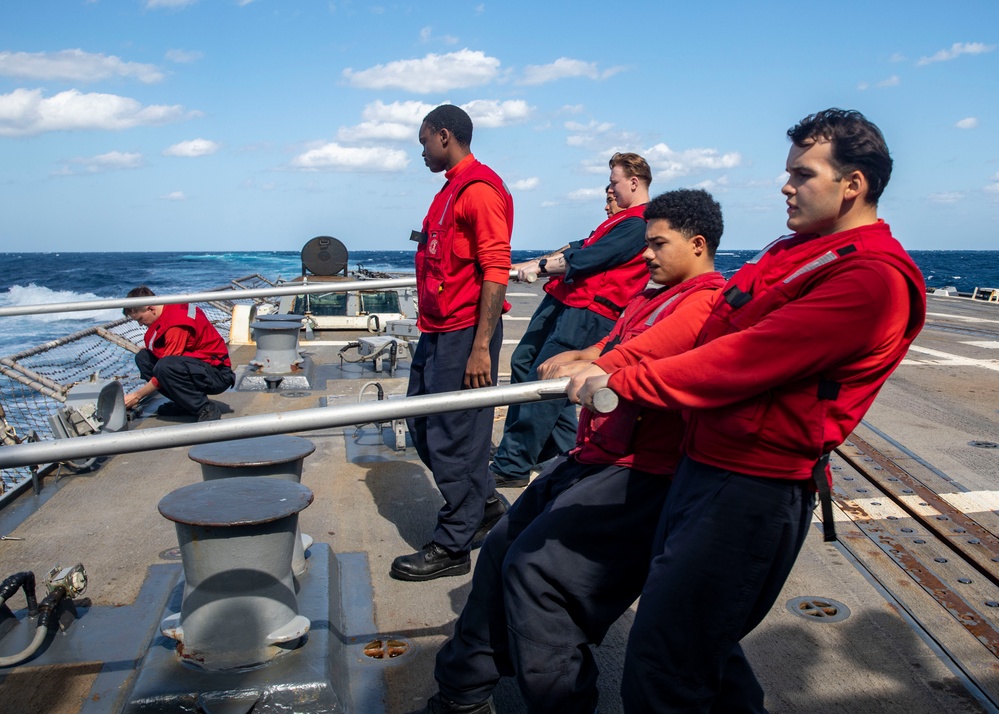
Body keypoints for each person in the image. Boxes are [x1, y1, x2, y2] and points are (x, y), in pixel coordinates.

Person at [569, 108, 927, 712]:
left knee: (665, 666)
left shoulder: (871, 279)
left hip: (751, 493)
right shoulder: (793, 252)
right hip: (705, 465)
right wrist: (612, 356)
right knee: (700, 651)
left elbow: (738, 360)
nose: (786, 186)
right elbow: (709, 322)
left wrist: (623, 382)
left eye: (803, 174)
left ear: (853, 184)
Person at [425, 189, 726, 714]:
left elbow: (641, 352)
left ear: (697, 245)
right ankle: (461, 692)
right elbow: (615, 340)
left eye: (657, 244)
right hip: (595, 455)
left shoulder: (702, 301)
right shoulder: (654, 294)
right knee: (501, 547)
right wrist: (585, 352)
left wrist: (595, 366)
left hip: (641, 472)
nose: (647, 255)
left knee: (538, 574)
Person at [391, 104, 514, 582]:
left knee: (456, 437)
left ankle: (454, 543)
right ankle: (482, 505)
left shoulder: (479, 191)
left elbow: (496, 270)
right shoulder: (449, 192)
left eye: (424, 142)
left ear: (445, 136)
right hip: (438, 330)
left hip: (466, 333)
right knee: (423, 425)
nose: (421, 152)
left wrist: (481, 346)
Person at [489, 152, 652, 488]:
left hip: (590, 312)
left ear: (634, 183)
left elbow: (591, 257)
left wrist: (542, 268)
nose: (609, 191)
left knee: (545, 380)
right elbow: (579, 246)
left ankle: (513, 464)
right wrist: (528, 265)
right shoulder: (618, 222)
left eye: (614, 183)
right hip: (567, 300)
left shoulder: (638, 224)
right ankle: (562, 451)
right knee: (526, 365)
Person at [122, 286, 234, 422]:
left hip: (218, 375)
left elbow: (165, 370)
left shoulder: (176, 325)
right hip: (199, 366)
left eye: (140, 319)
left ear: (151, 308)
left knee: (165, 367)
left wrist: (137, 396)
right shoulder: (170, 306)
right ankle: (185, 404)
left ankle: (204, 408)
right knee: (144, 358)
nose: (140, 324)